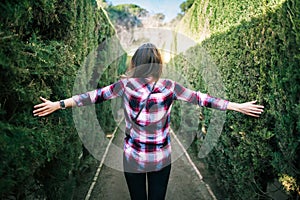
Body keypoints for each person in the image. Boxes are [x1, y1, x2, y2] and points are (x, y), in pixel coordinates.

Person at [33, 43, 264, 200]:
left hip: (132, 156)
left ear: (135, 63)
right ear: (158, 64)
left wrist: (58, 104)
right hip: (161, 158)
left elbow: (90, 97)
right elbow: (203, 99)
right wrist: (236, 105)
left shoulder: (124, 86)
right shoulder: (170, 87)